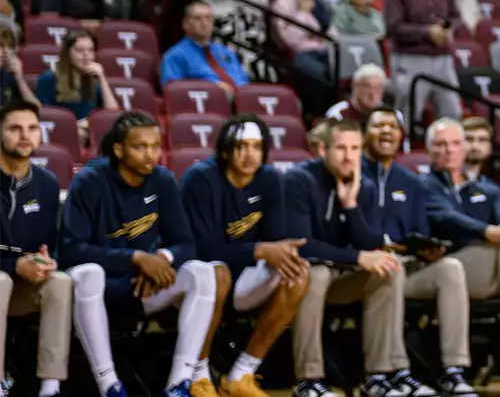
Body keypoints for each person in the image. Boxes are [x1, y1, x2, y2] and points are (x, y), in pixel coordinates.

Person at [62, 111, 231, 397]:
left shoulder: (163, 180)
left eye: (155, 146)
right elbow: (71, 250)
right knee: (88, 273)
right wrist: (136, 258)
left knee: (203, 272)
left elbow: (186, 243)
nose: (150, 154)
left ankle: (179, 383)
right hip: (100, 288)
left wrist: (161, 260)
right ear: (118, 149)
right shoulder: (89, 182)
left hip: (145, 285)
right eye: (140, 147)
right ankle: (109, 385)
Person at [282, 120, 422, 397]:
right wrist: (358, 257)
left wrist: (351, 205)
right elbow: (303, 245)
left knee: (389, 268)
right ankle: (308, 380)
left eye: (355, 149)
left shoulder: (363, 185)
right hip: (299, 273)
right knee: (314, 273)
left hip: (341, 275)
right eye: (342, 148)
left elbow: (370, 243)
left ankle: (379, 376)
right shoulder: (298, 180)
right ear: (322, 149)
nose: (349, 157)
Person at [179, 115, 311, 397]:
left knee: (298, 271)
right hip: (197, 279)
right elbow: (200, 248)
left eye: (256, 146)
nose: (249, 154)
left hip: (242, 277)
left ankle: (242, 373)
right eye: (241, 146)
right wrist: (259, 249)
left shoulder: (269, 179)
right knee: (217, 273)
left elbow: (275, 238)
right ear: (225, 150)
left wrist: (282, 249)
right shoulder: (201, 179)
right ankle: (198, 375)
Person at [360, 107, 474, 395]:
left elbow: (420, 231)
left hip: (405, 264)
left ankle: (453, 370)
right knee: (391, 267)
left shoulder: (411, 181)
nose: (386, 131)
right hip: (362, 267)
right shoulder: (351, 170)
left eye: (392, 126)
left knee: (450, 269)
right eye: (378, 125)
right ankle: (393, 372)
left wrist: (428, 250)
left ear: (402, 136)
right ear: (364, 134)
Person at [420, 118, 500, 369]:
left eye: (455, 143)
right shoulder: (423, 184)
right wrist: (495, 233)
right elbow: (447, 218)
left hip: (499, 270)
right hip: (455, 265)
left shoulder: (486, 187)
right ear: (428, 150)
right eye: (440, 144)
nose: (448, 150)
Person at [0, 102, 72, 397]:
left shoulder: (48, 184)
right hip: (3, 280)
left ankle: (50, 386)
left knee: (61, 283)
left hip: (23, 286)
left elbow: (49, 244)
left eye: (32, 128)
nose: (25, 135)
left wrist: (44, 262)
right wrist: (14, 265)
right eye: (15, 129)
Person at [384, 0, 462, 122]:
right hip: (410, 58)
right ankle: (403, 150)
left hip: (442, 59)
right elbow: (393, 27)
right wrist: (427, 32)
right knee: (407, 115)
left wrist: (449, 31)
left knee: (453, 112)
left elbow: (456, 17)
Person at [161, 2, 251, 94]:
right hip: (208, 103)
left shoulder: (226, 52)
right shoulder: (175, 55)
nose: (204, 23)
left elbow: (244, 80)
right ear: (186, 24)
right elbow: (172, 91)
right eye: (197, 18)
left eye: (208, 18)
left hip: (243, 100)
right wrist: (211, 87)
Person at [271, 0, 337, 84]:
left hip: (324, 52)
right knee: (322, 76)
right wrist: (302, 12)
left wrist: (313, 33)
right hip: (300, 55)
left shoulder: (317, 4)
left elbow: (332, 34)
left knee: (339, 71)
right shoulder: (281, 5)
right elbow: (290, 40)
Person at [34, 31, 116, 126]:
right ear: (68, 53)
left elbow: (112, 114)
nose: (86, 54)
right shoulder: (49, 79)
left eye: (90, 50)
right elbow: (45, 117)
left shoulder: (95, 83)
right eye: (80, 50)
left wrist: (102, 78)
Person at [326, 64, 396, 127]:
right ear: (354, 86)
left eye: (378, 87)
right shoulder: (338, 114)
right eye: (367, 86)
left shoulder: (392, 114)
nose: (372, 93)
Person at [0, 26, 37, 106]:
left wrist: (19, 79)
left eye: (10, 47)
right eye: (1, 46)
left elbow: (36, 108)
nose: (5, 51)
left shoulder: (10, 75)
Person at [462, 116, 493, 181]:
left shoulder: (492, 189)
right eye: (469, 139)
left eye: (482, 140)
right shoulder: (441, 183)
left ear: (490, 148)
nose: (475, 146)